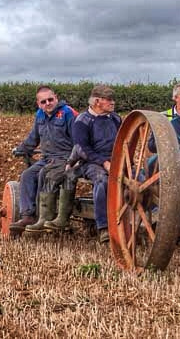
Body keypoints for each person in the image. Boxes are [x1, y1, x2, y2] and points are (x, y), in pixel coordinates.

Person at [7, 86, 78, 234]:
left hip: (64, 158)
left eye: (50, 100)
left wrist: (72, 161)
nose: (48, 103)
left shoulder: (67, 113)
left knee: (43, 175)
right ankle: (28, 216)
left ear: (56, 98)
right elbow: (34, 138)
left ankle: (43, 218)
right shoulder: (40, 115)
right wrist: (21, 149)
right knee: (27, 175)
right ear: (39, 103)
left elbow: (79, 140)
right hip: (47, 158)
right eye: (43, 101)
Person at [66, 85, 121, 243]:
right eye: (109, 100)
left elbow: (124, 141)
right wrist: (103, 162)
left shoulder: (116, 119)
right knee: (102, 180)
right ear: (97, 101)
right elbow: (82, 148)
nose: (113, 103)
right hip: (90, 162)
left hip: (115, 159)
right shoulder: (83, 121)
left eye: (112, 99)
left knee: (141, 177)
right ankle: (103, 226)